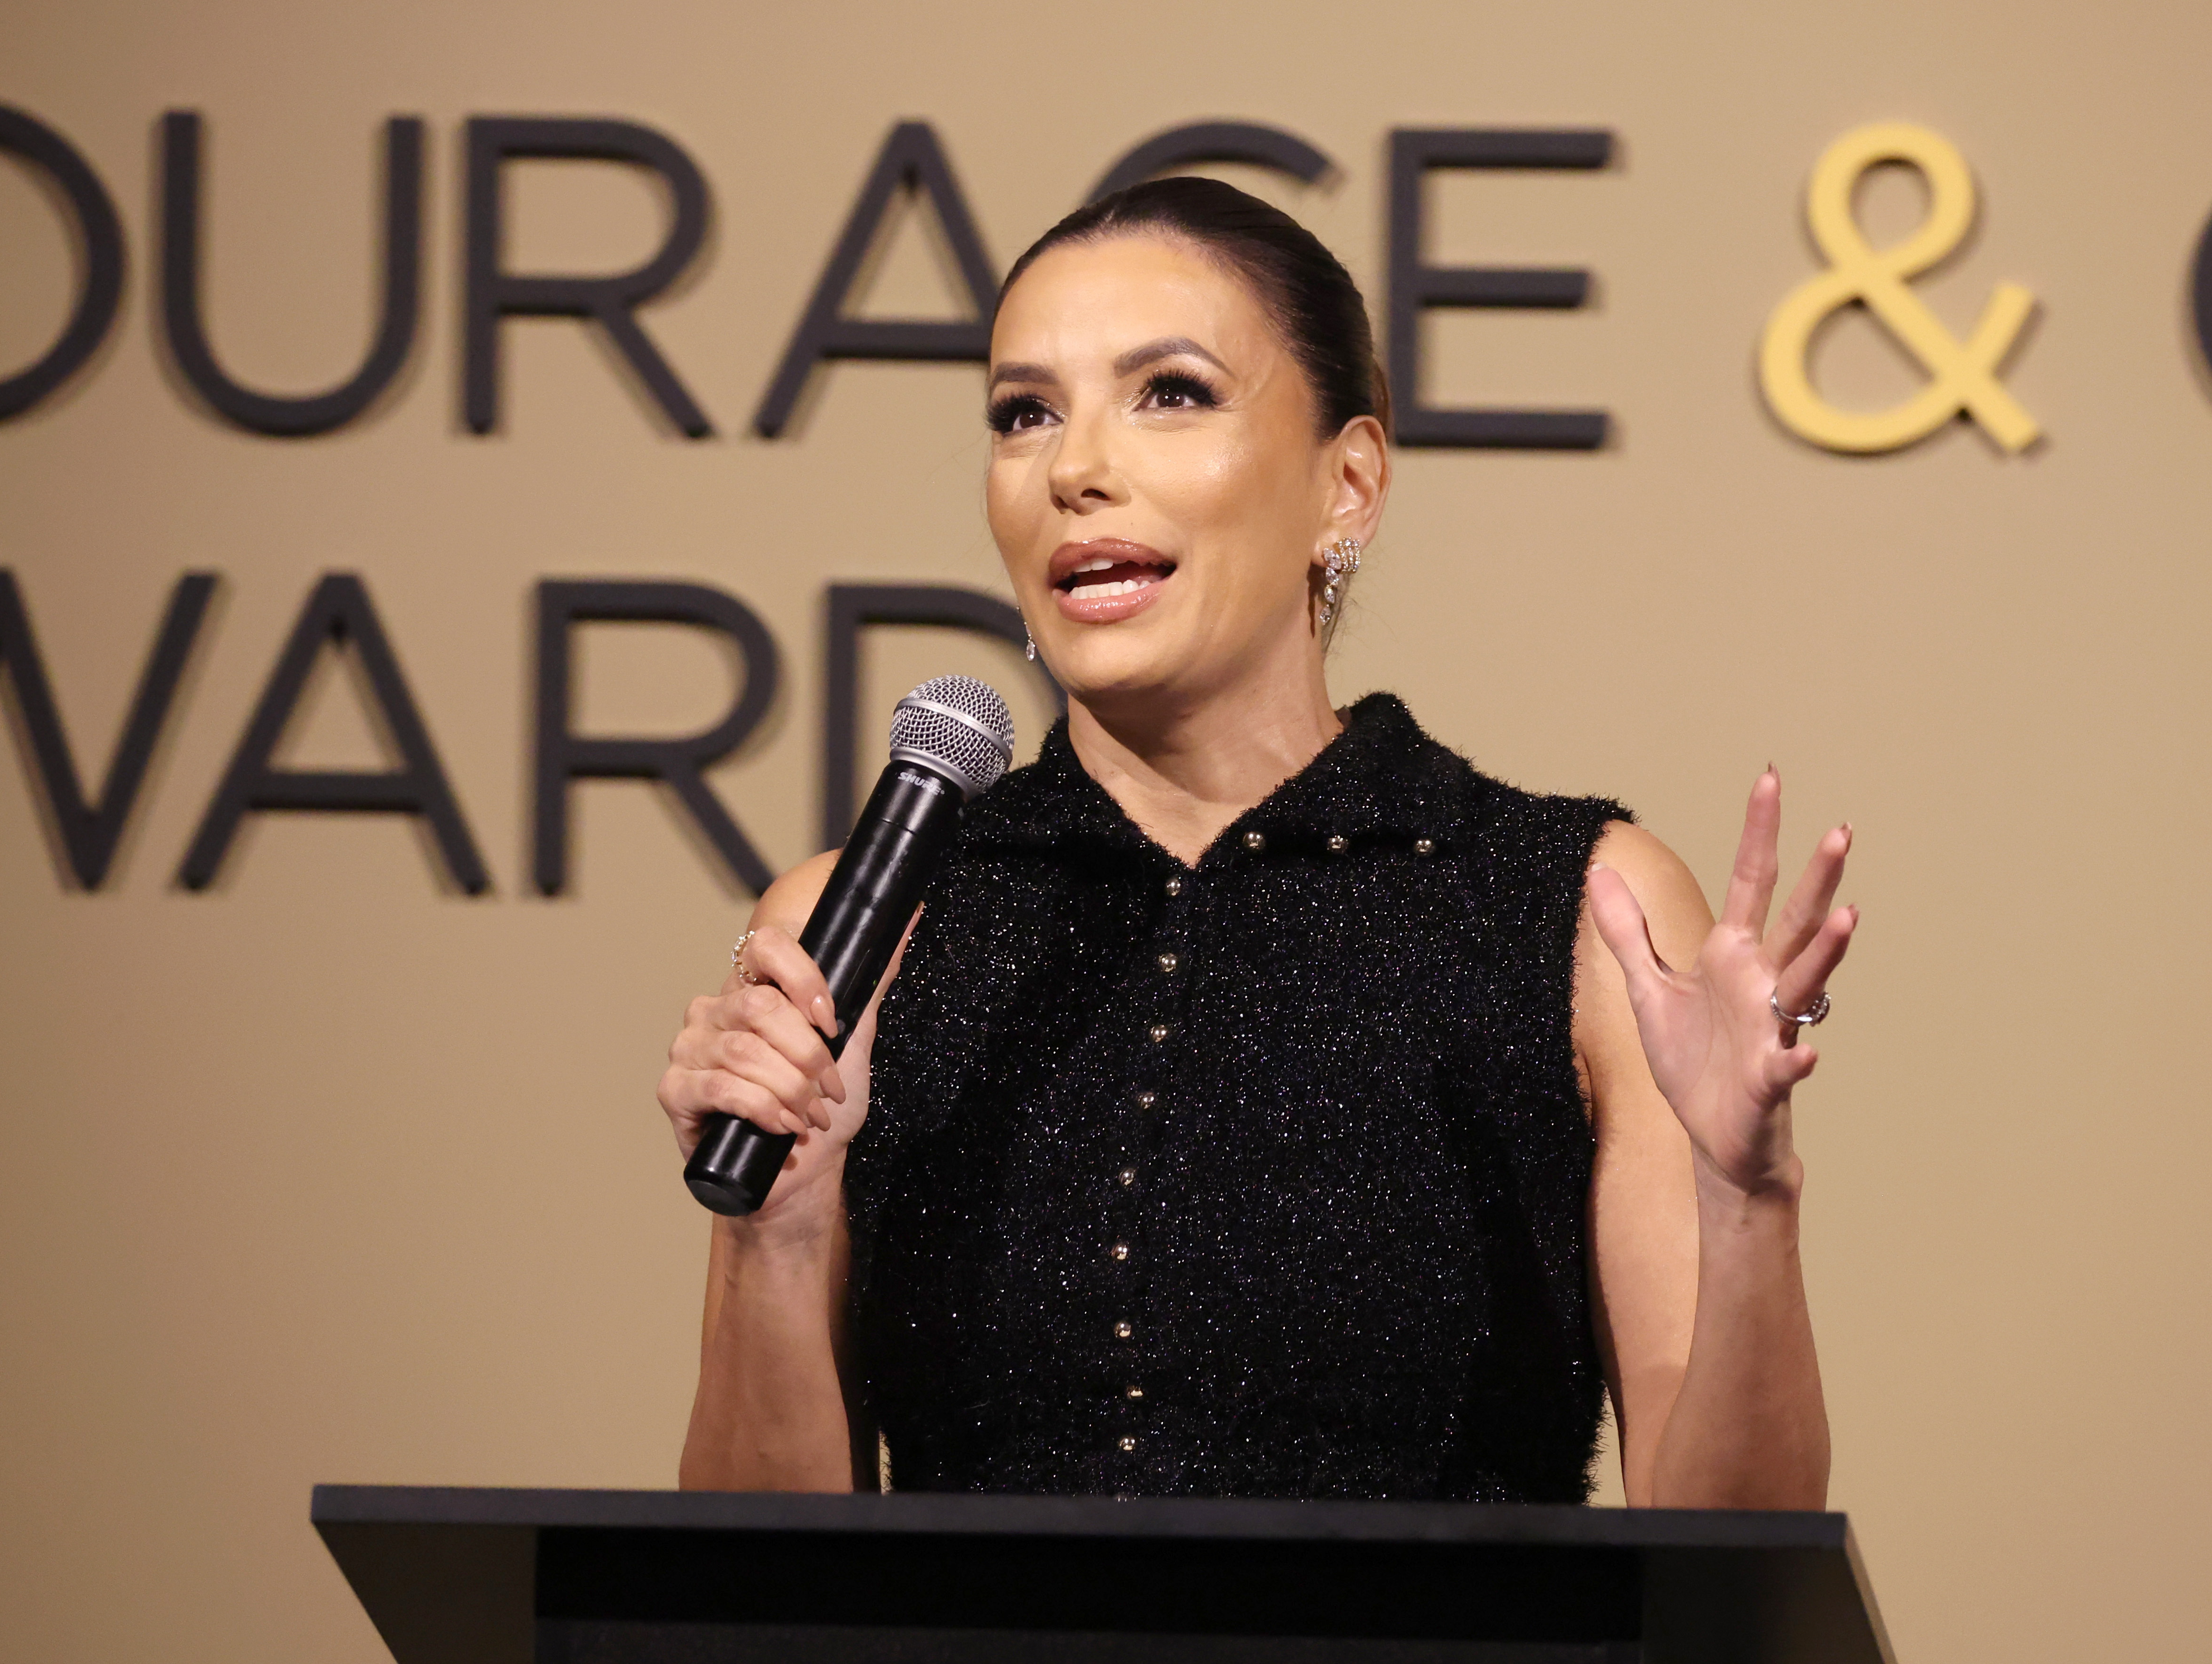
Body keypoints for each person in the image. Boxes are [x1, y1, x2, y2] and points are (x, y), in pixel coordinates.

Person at [656, 177, 1856, 1506]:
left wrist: (1752, 1198)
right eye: (1024, 413)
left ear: (1348, 483)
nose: (1072, 469)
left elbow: (1725, 1578)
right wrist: (777, 1226)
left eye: (1169, 392)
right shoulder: (866, 925)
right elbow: (745, 1595)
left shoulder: (1580, 910)